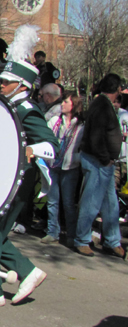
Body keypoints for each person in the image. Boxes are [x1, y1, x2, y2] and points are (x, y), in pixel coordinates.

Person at [0, 25, 58, 307]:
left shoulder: (26, 109)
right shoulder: (6, 105)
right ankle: (28, 272)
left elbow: (52, 146)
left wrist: (29, 149)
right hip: (3, 177)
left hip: (19, 180)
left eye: (6, 82)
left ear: (21, 85)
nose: (0, 84)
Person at [73, 73, 126, 258]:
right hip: (98, 162)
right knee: (91, 202)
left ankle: (112, 240)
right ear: (117, 89)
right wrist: (105, 158)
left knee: (110, 203)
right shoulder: (102, 106)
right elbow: (96, 137)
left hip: (103, 163)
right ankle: (81, 239)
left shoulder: (101, 104)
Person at [42, 93, 85, 245]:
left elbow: (82, 146)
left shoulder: (80, 125)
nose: (62, 104)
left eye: (66, 102)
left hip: (70, 167)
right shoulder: (55, 121)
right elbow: (46, 138)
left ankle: (71, 235)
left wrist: (77, 160)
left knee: (68, 202)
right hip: (53, 164)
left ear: (74, 105)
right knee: (52, 200)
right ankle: (52, 232)